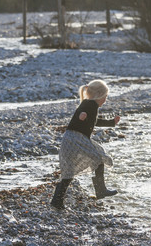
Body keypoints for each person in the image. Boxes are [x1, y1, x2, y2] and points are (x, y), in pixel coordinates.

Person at [51, 79, 120, 210]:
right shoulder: (89, 104)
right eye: (105, 97)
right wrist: (80, 116)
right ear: (98, 95)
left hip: (76, 138)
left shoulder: (92, 106)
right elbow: (80, 112)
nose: (105, 100)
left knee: (70, 172)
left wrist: (112, 122)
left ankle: (57, 202)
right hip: (75, 139)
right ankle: (100, 190)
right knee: (98, 158)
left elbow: (95, 121)